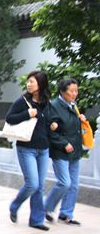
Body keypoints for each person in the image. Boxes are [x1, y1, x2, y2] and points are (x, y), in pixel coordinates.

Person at [5, 70, 52, 231]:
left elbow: (48, 120)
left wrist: (53, 124)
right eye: (28, 81)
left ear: (41, 84)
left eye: (32, 81)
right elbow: (9, 118)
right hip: (26, 148)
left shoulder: (46, 102)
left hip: (43, 149)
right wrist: (27, 113)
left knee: (40, 186)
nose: (29, 84)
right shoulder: (23, 101)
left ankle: (36, 220)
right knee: (32, 184)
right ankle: (14, 205)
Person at [44, 78, 86, 226]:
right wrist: (64, 143)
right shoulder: (54, 106)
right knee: (64, 182)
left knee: (73, 185)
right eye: (71, 91)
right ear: (62, 91)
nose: (75, 94)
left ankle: (66, 214)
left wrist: (81, 119)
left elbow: (73, 127)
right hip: (61, 151)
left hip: (74, 151)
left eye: (76, 91)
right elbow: (50, 130)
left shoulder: (73, 105)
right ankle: (46, 208)